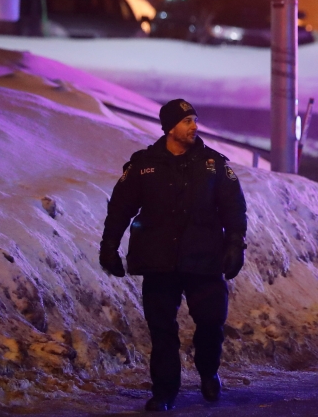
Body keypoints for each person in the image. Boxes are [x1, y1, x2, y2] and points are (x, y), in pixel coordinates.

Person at [98, 99, 248, 412]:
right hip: (158, 260)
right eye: (187, 121)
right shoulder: (144, 164)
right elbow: (121, 207)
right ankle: (164, 392)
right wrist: (109, 245)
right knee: (162, 329)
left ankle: (208, 372)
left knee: (210, 322)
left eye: (195, 120)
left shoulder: (213, 163)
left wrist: (235, 244)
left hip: (204, 260)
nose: (194, 126)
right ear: (170, 127)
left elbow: (233, 207)